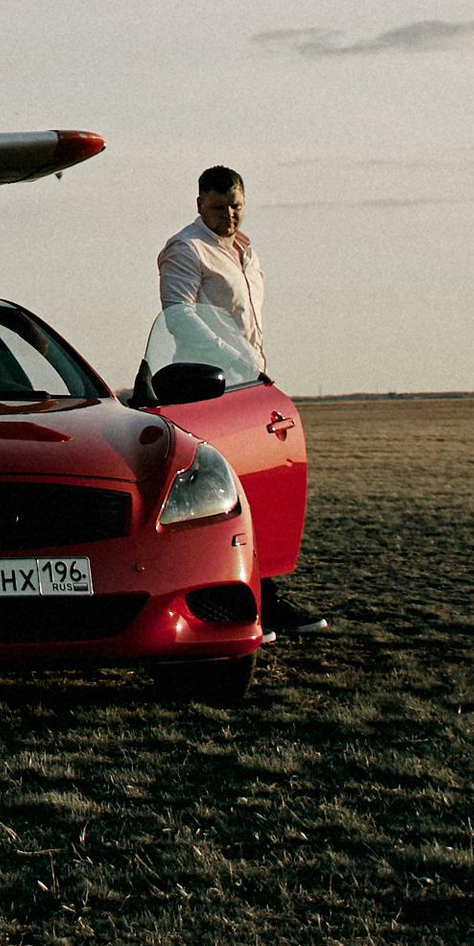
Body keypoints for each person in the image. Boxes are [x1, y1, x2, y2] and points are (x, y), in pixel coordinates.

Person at [146, 165, 326, 636]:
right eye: (219, 207)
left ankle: (266, 598)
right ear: (199, 204)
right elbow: (179, 315)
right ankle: (229, 602)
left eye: (236, 206)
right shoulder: (186, 249)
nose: (229, 215)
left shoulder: (245, 250)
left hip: (247, 384)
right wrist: (231, 358)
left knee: (260, 489)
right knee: (216, 498)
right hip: (204, 385)